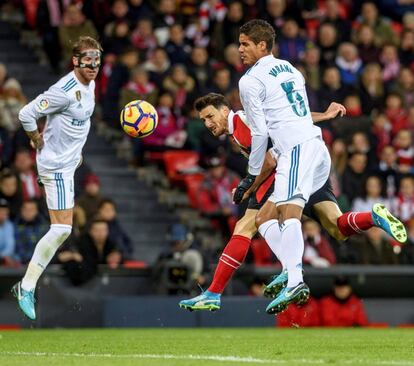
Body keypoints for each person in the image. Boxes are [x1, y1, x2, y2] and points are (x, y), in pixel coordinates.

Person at [235, 19, 406, 315]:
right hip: (315, 147)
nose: (240, 50)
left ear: (262, 45)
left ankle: (296, 280)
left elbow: (261, 132)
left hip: (295, 150)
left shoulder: (249, 81)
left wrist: (251, 174)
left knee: (288, 212)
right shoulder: (291, 69)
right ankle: (371, 219)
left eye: (245, 44)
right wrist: (325, 116)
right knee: (277, 219)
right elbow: (294, 114)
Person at [179, 93, 358, 312]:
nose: (207, 124)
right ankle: (285, 270)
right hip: (272, 174)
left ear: (225, 111)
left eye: (210, 116)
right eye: (204, 120)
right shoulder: (235, 131)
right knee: (248, 226)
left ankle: (218, 292)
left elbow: (289, 122)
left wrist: (248, 185)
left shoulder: (245, 120)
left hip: (280, 172)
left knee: (246, 226)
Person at [11, 36, 103, 320]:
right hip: (55, 167)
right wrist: (35, 137)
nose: (93, 66)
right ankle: (26, 286)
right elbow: (26, 113)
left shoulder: (91, 85)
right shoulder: (64, 90)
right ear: (75, 61)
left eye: (97, 61)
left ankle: (26, 285)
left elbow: (77, 123)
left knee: (63, 228)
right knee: (62, 230)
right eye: (88, 61)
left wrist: (76, 152)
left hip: (68, 161)